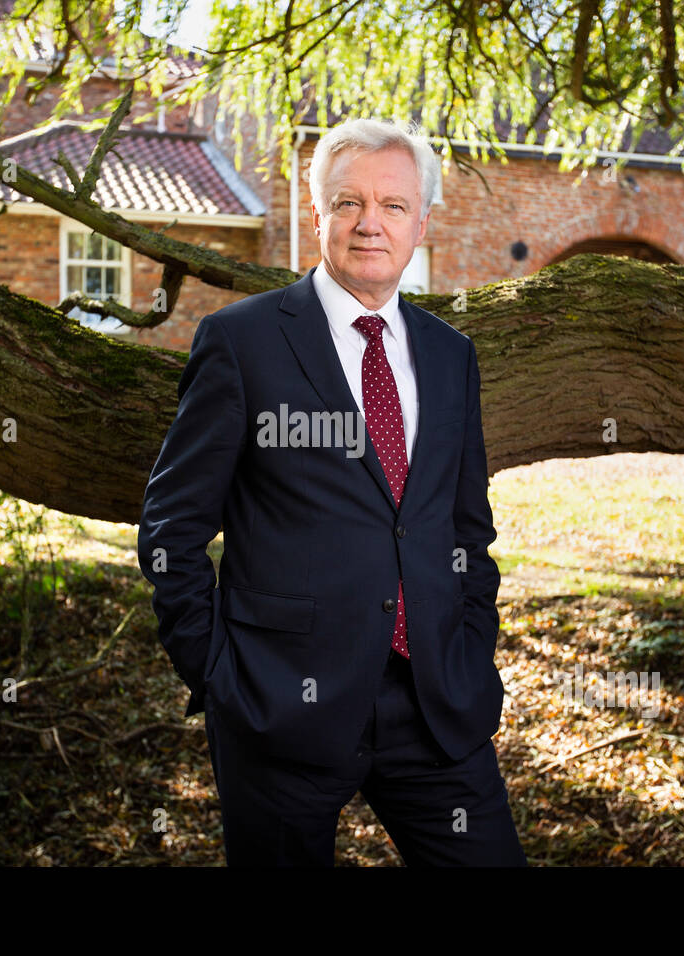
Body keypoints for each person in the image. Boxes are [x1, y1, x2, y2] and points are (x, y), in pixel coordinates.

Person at [137, 117, 526, 866]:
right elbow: (171, 529)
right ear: (316, 216)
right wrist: (221, 677)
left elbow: (466, 530)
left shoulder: (452, 356)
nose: (369, 223)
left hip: (434, 703)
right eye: (347, 203)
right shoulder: (242, 342)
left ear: (422, 222)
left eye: (392, 205)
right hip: (280, 708)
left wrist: (472, 651)